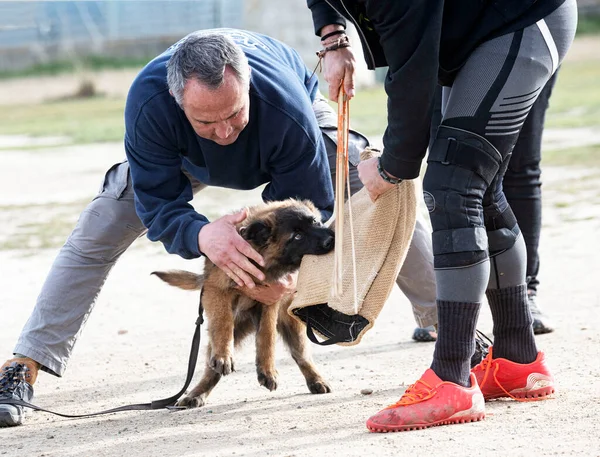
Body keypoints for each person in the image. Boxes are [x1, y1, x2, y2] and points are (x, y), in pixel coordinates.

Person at [0, 28, 438, 427]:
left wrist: (281, 277)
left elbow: (309, 207)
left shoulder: (283, 107)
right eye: (207, 120)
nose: (225, 132)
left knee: (373, 186)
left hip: (287, 130)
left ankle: (449, 325)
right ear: (178, 102)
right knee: (99, 225)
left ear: (247, 88)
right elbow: (158, 202)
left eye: (233, 114)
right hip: (187, 157)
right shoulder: (149, 105)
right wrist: (200, 234)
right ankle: (24, 366)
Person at [307, 0, 577, 431]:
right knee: (477, 189)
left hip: (523, 19)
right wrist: (333, 36)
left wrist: (392, 165)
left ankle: (451, 376)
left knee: (453, 188)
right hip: (477, 33)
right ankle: (516, 358)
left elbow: (411, 71)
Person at [412, 72, 560, 342]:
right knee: (446, 174)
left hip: (525, 40)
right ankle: (447, 306)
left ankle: (525, 294)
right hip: (447, 51)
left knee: (519, 167)